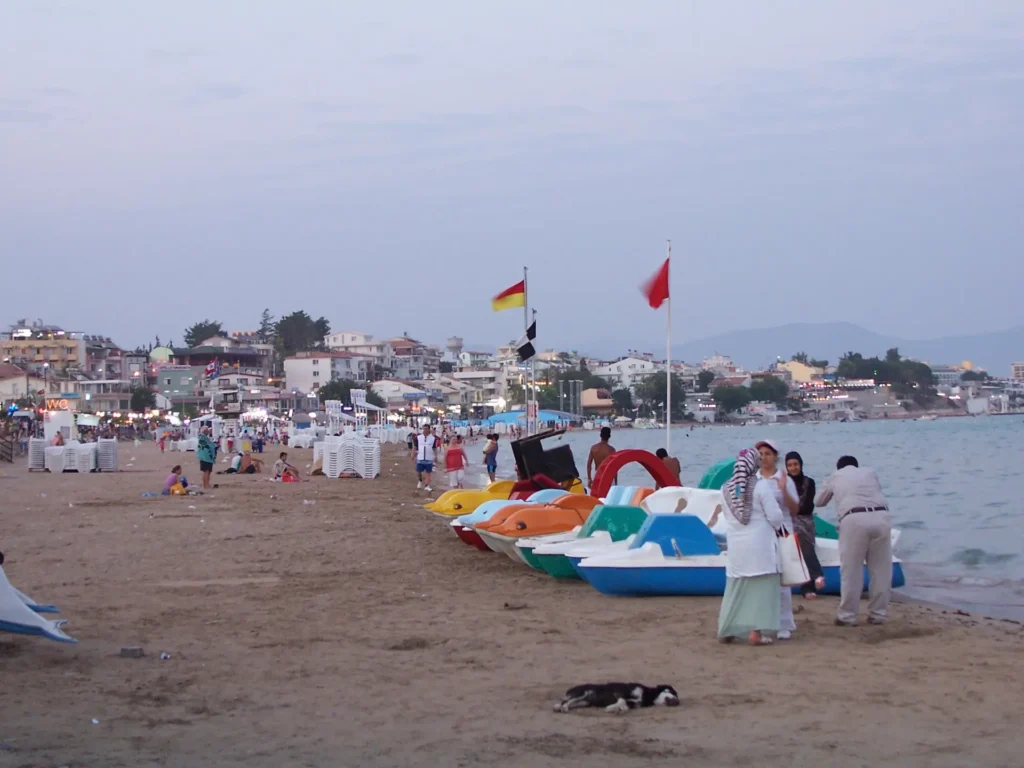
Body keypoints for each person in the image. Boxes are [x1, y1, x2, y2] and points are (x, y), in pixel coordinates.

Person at [718, 447, 786, 645]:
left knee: (735, 589)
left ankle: (726, 630)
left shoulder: (725, 489)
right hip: (760, 546)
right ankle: (756, 633)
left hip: (736, 548)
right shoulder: (760, 486)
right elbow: (775, 516)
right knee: (761, 590)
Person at [815, 455, 893, 626]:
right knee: (881, 570)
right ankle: (878, 614)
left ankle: (847, 616)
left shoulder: (836, 476)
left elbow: (818, 502)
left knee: (851, 571)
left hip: (854, 519)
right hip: (882, 516)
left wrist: (828, 485)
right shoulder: (870, 472)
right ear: (856, 466)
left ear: (839, 467)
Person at [755, 439, 799, 640]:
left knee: (783, 580)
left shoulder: (784, 478)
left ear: (775, 457)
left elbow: (795, 509)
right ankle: (763, 621)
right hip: (760, 534)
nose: (763, 457)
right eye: (761, 454)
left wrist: (783, 489)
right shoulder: (753, 478)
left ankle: (784, 623)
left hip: (783, 532)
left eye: (767, 454)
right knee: (762, 578)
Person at [785, 451, 826, 598]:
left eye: (795, 464)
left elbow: (809, 507)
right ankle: (816, 576)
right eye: (789, 465)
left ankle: (808, 589)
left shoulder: (810, 482)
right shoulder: (783, 484)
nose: (793, 468)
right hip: (790, 523)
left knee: (803, 544)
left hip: (806, 521)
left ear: (801, 465)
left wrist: (793, 509)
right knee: (798, 538)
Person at [414, 424, 440, 491]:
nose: (425, 430)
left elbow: (434, 448)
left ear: (429, 429)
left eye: (426, 429)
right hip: (420, 457)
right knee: (419, 471)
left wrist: (436, 456)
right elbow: (415, 446)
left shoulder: (433, 438)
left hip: (429, 458)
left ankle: (427, 485)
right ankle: (420, 480)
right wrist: (413, 454)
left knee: (428, 472)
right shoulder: (418, 437)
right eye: (424, 428)